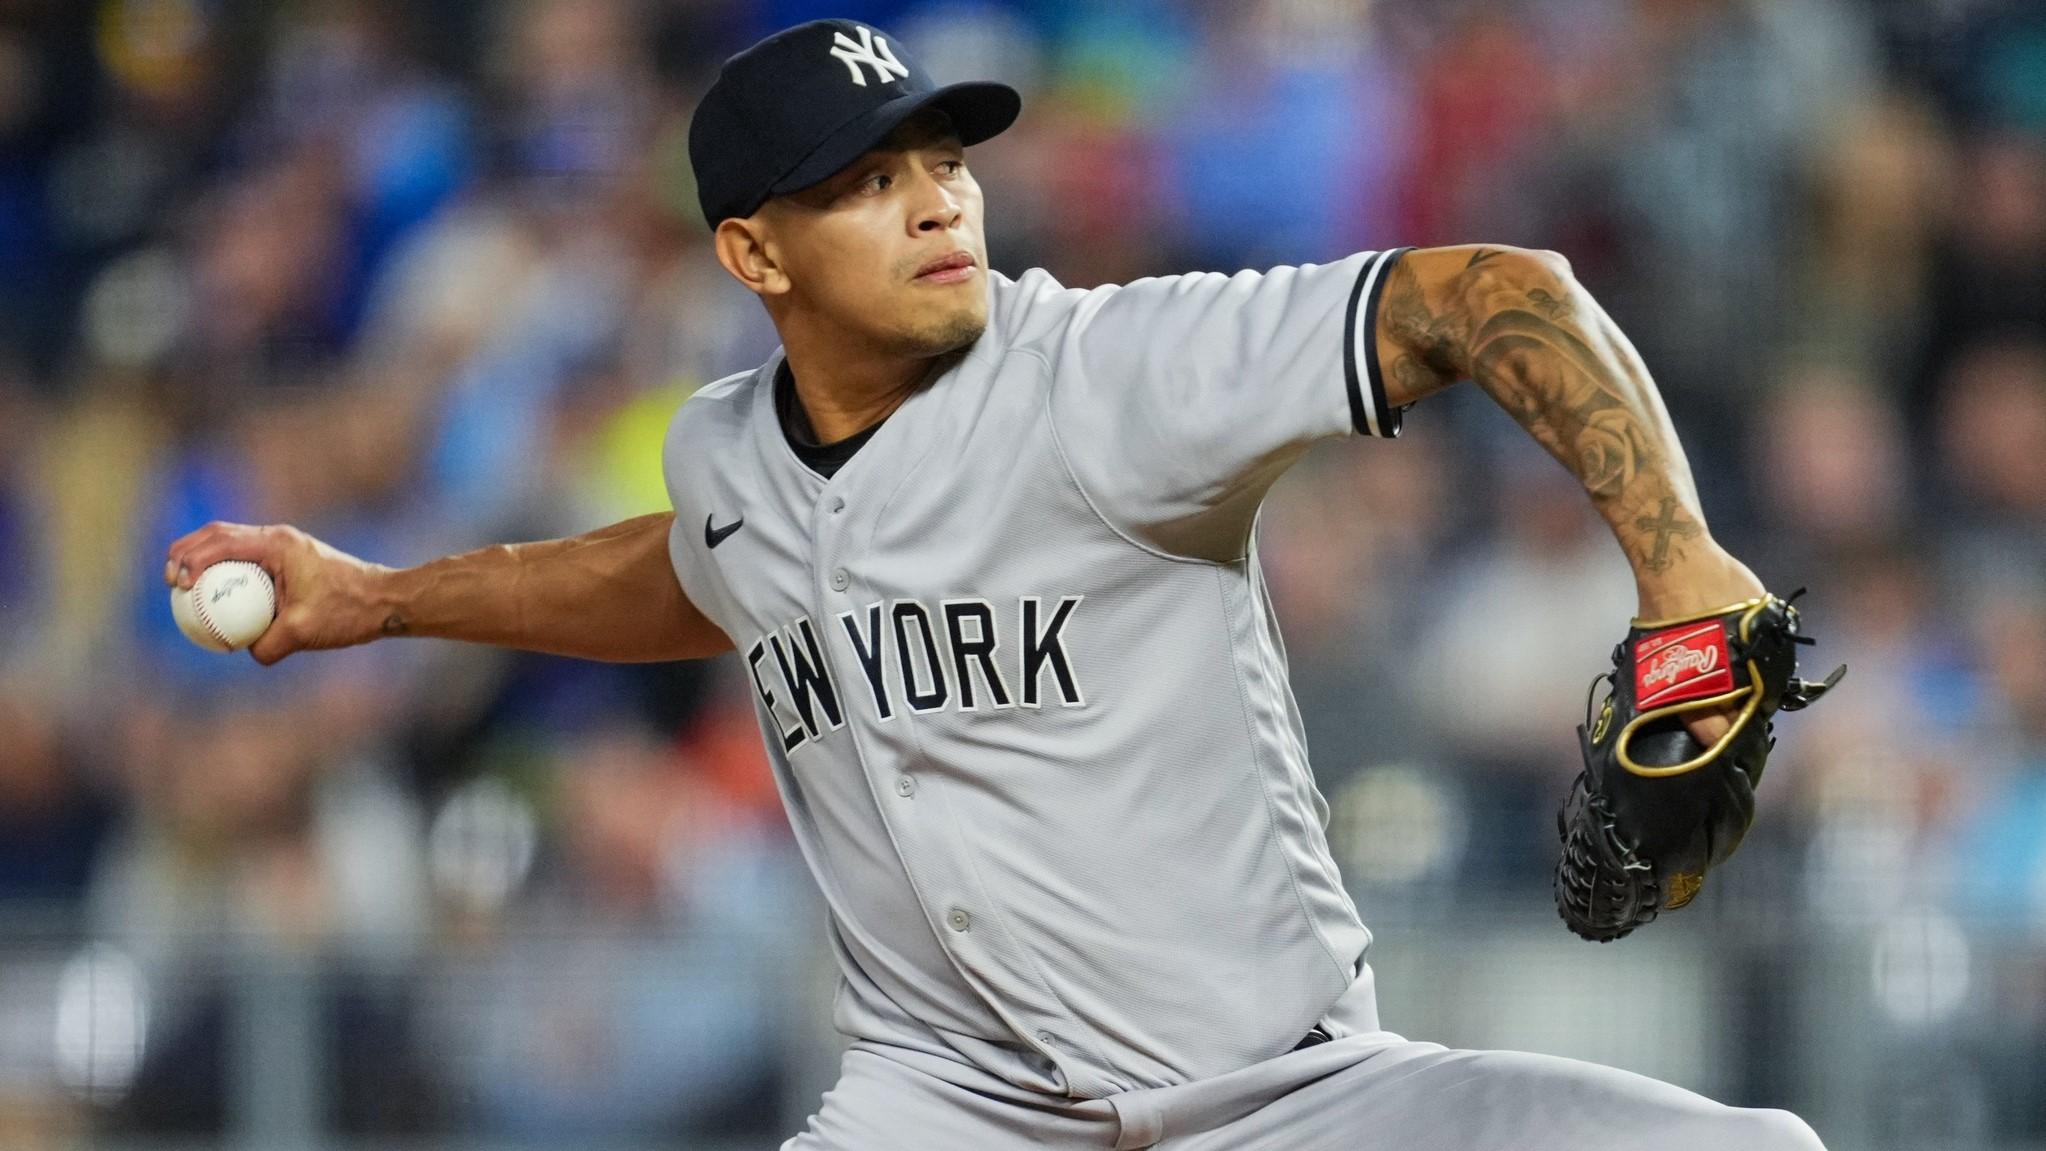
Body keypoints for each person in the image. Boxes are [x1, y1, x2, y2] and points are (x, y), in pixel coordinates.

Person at [165, 19, 1825, 1151]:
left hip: (1277, 1100)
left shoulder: (1105, 377)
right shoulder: (725, 456)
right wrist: (376, 599)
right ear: (753, 255)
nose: (935, 200)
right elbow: (694, 577)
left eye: (939, 158)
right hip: (941, 1109)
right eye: (864, 182)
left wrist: (1677, 561)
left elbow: (1486, 291)